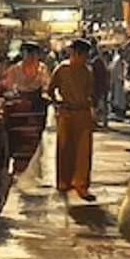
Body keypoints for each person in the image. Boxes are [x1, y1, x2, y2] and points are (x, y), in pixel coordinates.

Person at [47, 39, 95, 200]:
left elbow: (90, 93)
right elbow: (50, 89)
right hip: (67, 113)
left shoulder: (87, 71)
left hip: (83, 113)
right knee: (64, 148)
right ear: (75, 54)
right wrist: (58, 103)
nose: (85, 59)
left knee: (83, 151)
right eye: (84, 55)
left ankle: (81, 183)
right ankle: (64, 181)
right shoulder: (62, 69)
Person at [91, 45, 109, 128]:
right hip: (99, 87)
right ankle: (96, 121)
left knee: (100, 105)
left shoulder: (99, 62)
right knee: (98, 105)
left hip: (100, 87)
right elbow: (99, 76)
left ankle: (100, 121)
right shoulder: (98, 62)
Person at [110, 47, 127, 117]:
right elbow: (116, 73)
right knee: (118, 98)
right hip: (118, 82)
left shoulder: (122, 62)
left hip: (121, 82)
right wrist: (121, 78)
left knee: (121, 98)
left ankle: (121, 111)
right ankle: (119, 111)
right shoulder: (117, 62)